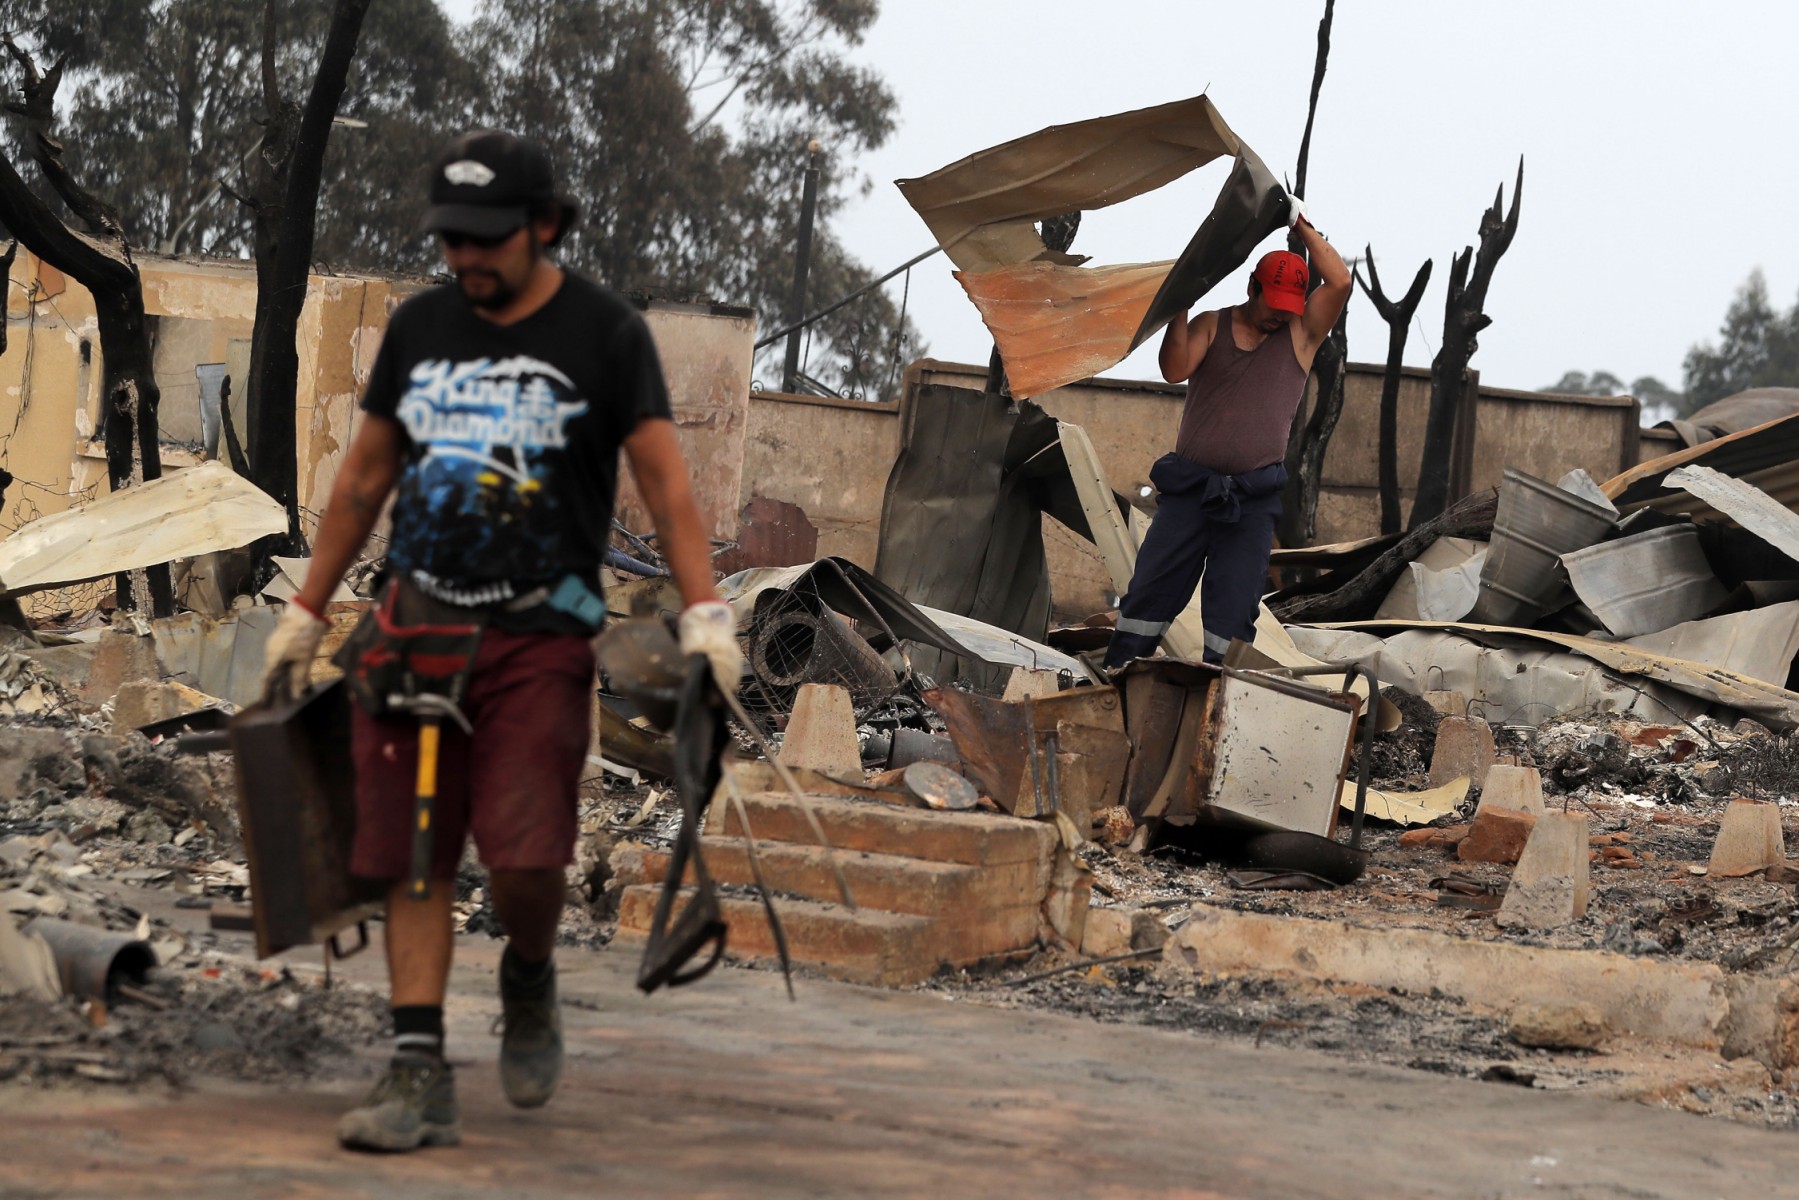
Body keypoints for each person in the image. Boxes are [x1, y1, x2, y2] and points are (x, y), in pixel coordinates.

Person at [259, 129, 742, 1153]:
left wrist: (705, 614)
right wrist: (306, 610)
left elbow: (663, 486)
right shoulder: (421, 327)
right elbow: (363, 477)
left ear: (545, 227)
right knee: (412, 857)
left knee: (525, 859)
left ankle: (529, 974)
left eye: (487, 240)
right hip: (415, 623)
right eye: (451, 241)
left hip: (539, 633)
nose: (466, 259)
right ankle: (417, 1070)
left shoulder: (605, 333)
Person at [1102, 199, 1351, 670]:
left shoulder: (1301, 335)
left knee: (1235, 612)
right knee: (1150, 595)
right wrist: (1180, 305)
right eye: (1273, 304)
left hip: (1252, 502)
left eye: (1288, 307)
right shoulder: (1211, 324)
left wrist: (1299, 223)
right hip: (1190, 491)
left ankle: (1219, 702)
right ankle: (1119, 679)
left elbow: (1338, 280)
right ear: (1253, 288)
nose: (1280, 315)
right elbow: (1174, 369)